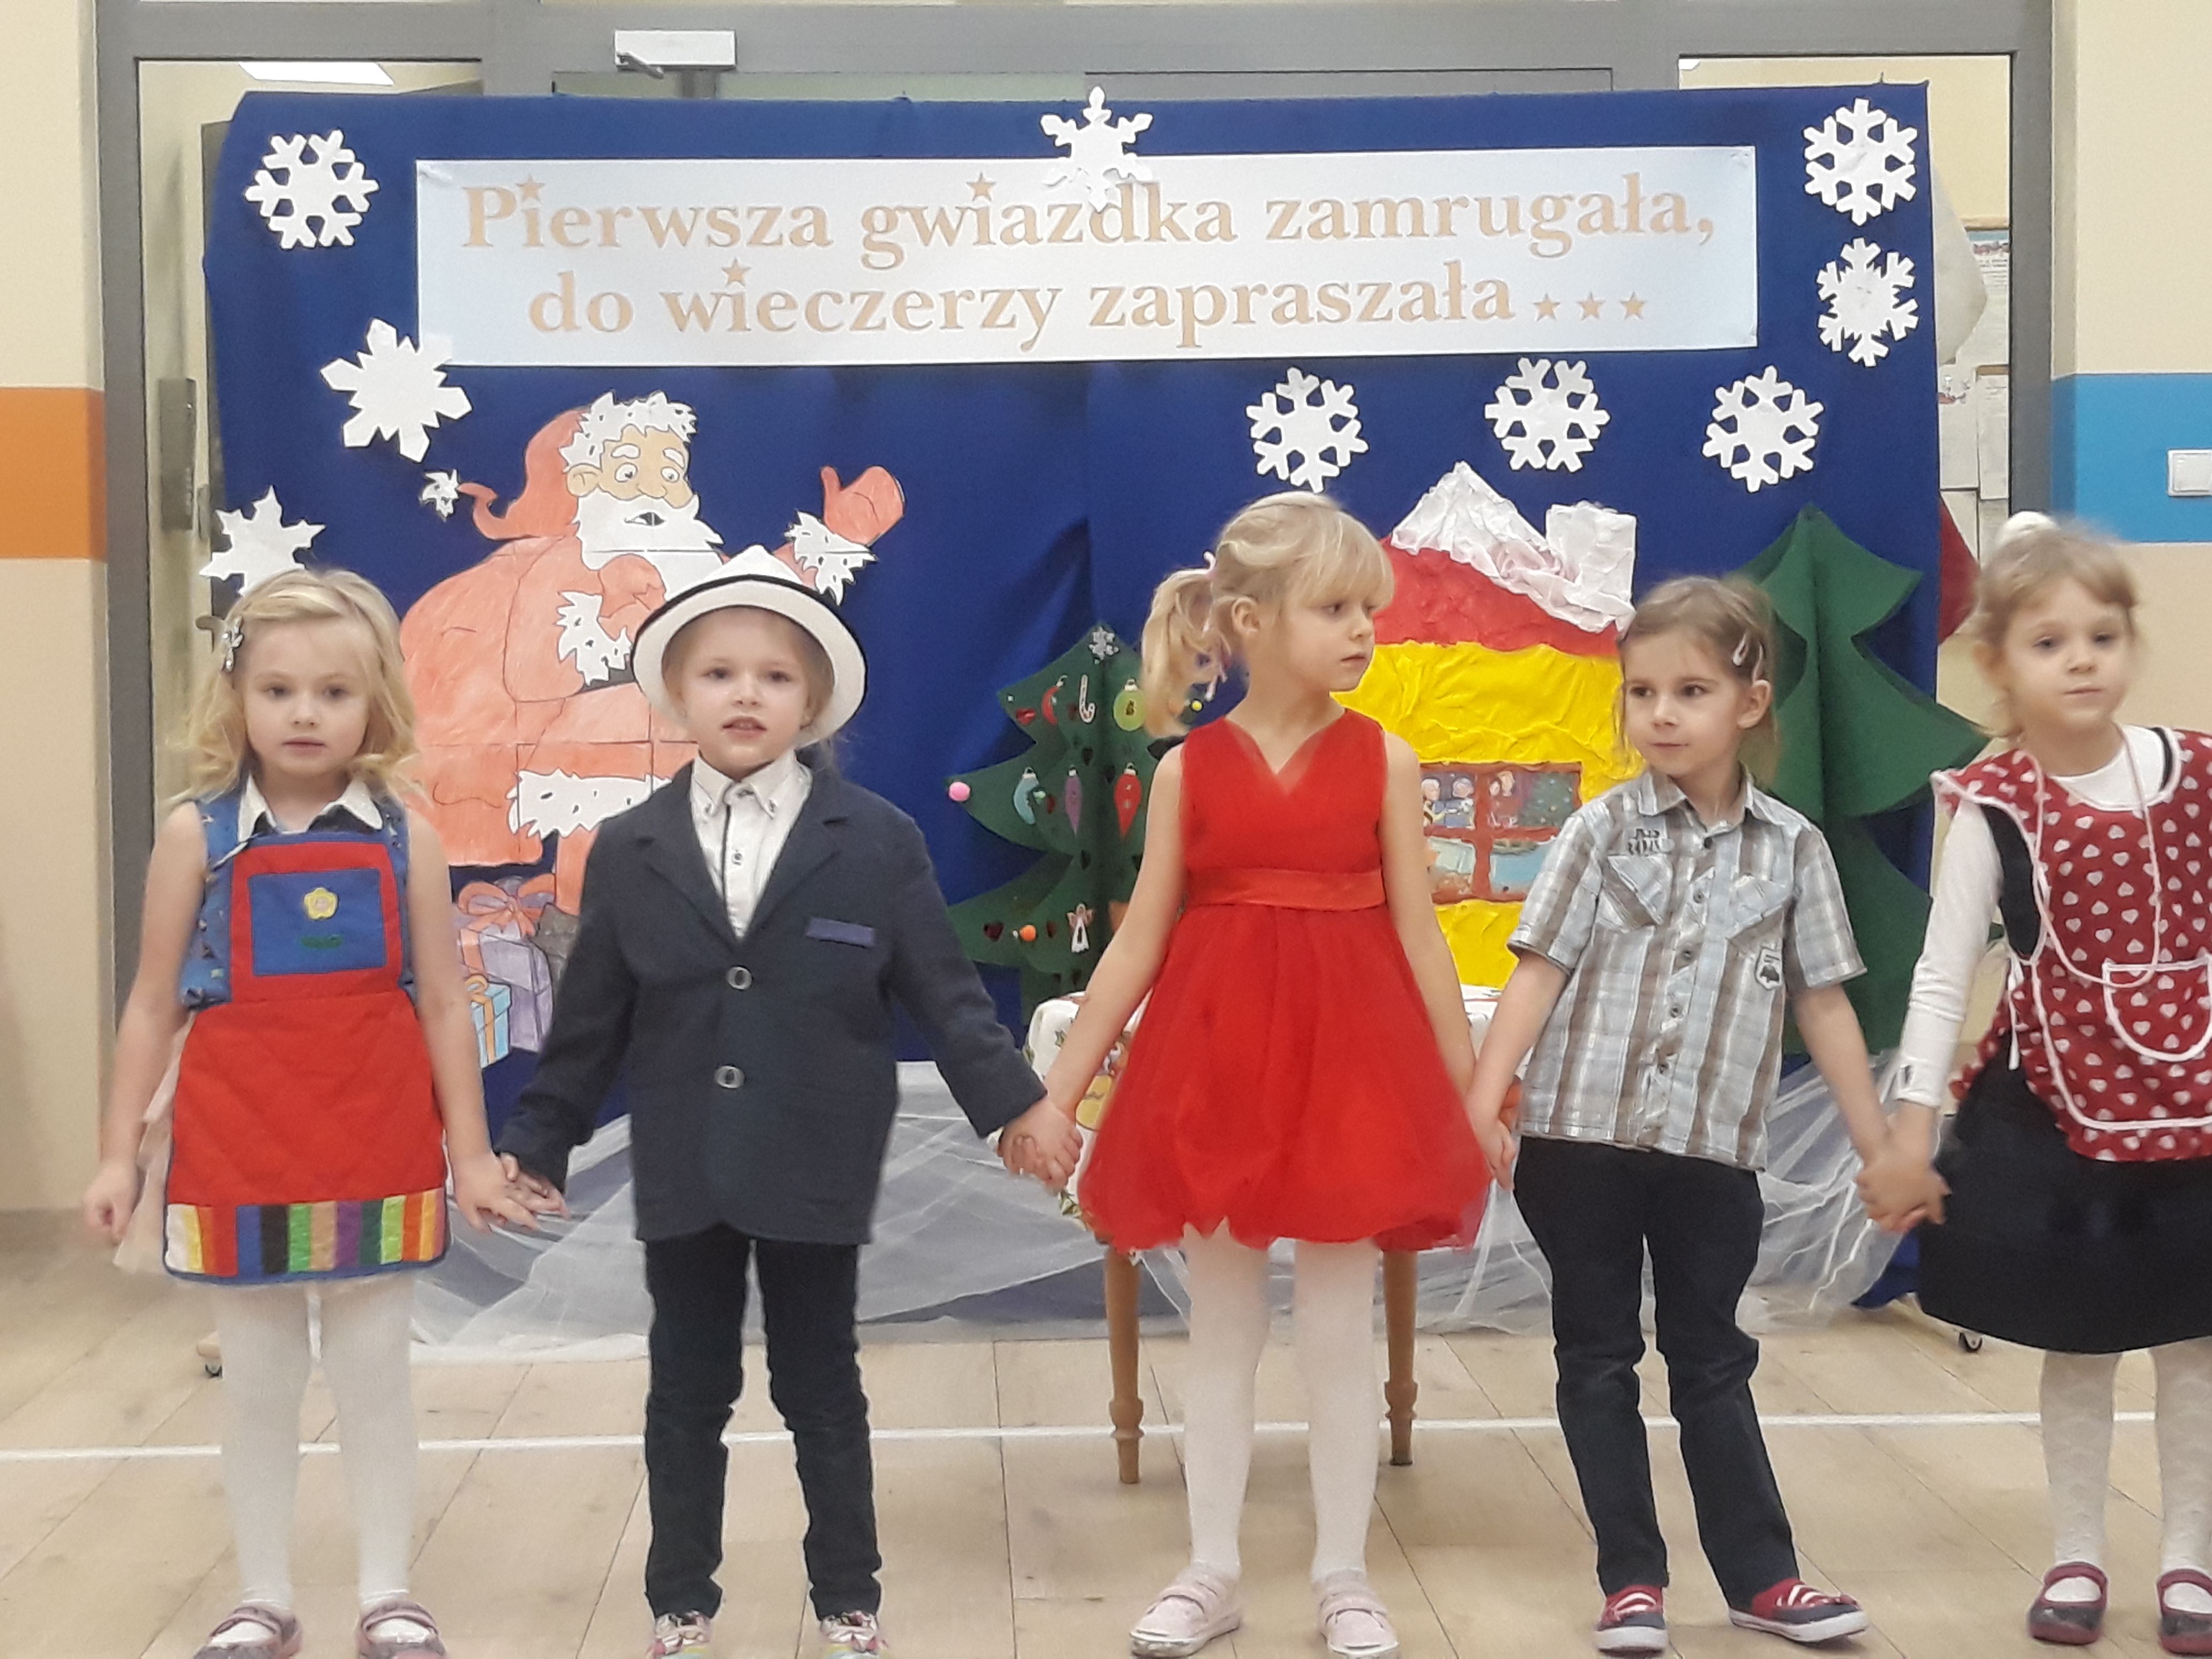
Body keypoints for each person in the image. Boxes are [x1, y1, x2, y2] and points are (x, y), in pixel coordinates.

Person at [494, 547, 1081, 1659]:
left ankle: (848, 1593)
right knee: (687, 1387)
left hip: (818, 1155)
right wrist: (537, 1141)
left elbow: (946, 996)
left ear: (812, 703)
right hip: (687, 1161)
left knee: (821, 1384)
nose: (746, 695)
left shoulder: (879, 841)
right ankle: (680, 1599)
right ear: (677, 695)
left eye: (774, 677)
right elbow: (590, 1024)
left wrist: (1017, 1105)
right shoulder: (630, 849)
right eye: (719, 674)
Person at [1029, 492, 1491, 1659]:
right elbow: (1139, 940)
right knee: (1224, 1326)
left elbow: (1422, 937)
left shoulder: (1385, 761)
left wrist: (1475, 1089)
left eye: (1367, 610)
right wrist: (1061, 1092)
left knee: (1337, 1326)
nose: (1363, 630)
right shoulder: (1190, 772)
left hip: (1352, 1076)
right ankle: (1212, 1569)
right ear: (1250, 620)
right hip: (1217, 1070)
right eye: (1335, 609)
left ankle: (1344, 1573)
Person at [81, 569, 532, 1659]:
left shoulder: (407, 837)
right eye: (278, 690)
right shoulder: (194, 835)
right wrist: (116, 1156)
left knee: (376, 1375)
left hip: (377, 1139)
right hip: (237, 1145)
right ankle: (265, 1599)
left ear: (376, 702)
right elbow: (151, 1003)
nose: (304, 713)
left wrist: (472, 1155)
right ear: (236, 696)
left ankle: (387, 1594)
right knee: (260, 1380)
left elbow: (444, 1003)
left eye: (334, 692)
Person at [1465, 576, 1918, 1655]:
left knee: (1712, 1358)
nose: (1661, 714)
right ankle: (1631, 1580)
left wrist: (1879, 1145)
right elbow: (1537, 974)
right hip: (1579, 1143)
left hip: (1715, 1153)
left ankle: (1764, 1578)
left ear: (1750, 703)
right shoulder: (1596, 832)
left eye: (1691, 691)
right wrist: (1480, 1102)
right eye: (1642, 692)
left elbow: (1822, 1003)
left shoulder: (1793, 850)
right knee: (1597, 1359)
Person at [1886, 515, 2212, 1654]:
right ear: (1999, 664)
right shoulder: (1996, 807)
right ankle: (2077, 1550)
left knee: (2195, 1343)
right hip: (2061, 1110)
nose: (2081, 661)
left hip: (2195, 1108)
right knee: (2081, 1339)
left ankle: (2189, 1559)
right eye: (2049, 642)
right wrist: (1911, 1127)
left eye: (2102, 637)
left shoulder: (2198, 776)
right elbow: (1942, 975)